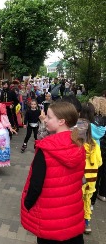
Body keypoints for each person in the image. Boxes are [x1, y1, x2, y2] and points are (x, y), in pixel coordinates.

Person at [21, 101, 86, 244]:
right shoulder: (79, 145)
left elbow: (35, 185)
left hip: (49, 218)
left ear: (61, 121)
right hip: (72, 214)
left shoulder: (46, 148)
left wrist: (27, 204)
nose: (45, 120)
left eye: (49, 117)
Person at [79, 103, 102, 234]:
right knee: (87, 200)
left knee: (77, 200)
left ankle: (76, 222)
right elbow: (99, 163)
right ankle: (87, 223)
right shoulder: (95, 146)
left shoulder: (78, 147)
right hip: (91, 179)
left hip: (80, 178)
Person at [89, 96, 106, 207]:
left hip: (94, 150)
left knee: (93, 175)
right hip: (104, 151)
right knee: (103, 173)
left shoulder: (90, 119)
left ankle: (90, 200)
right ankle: (101, 195)